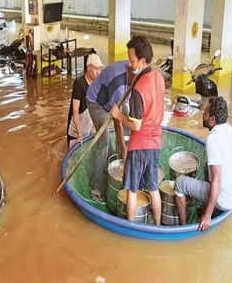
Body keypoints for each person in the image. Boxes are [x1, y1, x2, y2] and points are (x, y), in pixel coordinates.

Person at [110, 36, 165, 225]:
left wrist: (118, 115)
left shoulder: (139, 88)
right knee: (153, 188)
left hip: (139, 144)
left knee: (132, 190)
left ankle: (131, 227)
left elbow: (136, 125)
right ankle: (157, 225)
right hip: (156, 142)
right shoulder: (158, 76)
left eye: (132, 60)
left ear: (143, 60)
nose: (130, 63)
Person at [174, 97, 232, 231]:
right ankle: (204, 208)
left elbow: (217, 179)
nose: (203, 114)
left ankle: (183, 227)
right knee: (207, 164)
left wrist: (207, 216)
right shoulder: (230, 130)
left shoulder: (213, 139)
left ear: (212, 119)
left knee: (179, 183)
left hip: (223, 199)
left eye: (206, 113)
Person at [86, 60, 130, 201]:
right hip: (96, 103)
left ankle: (121, 161)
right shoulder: (118, 87)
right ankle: (95, 187)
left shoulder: (135, 71)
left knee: (128, 118)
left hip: (111, 97)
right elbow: (117, 124)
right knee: (104, 142)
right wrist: (124, 153)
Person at [67, 54, 102, 148]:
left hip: (89, 127)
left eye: (100, 69)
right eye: (96, 69)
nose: (98, 72)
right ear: (89, 67)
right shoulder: (79, 83)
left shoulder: (97, 84)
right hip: (77, 131)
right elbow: (75, 110)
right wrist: (79, 134)